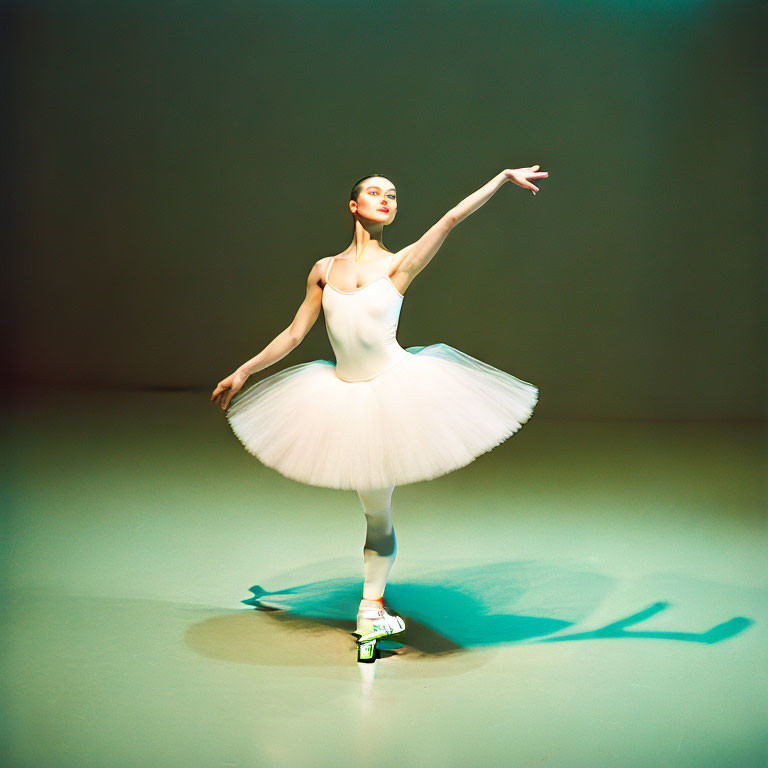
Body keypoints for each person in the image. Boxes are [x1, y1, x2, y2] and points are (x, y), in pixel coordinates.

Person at [211, 167, 548, 661]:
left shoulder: (400, 264)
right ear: (353, 205)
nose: (386, 199)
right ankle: (371, 612)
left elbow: (451, 219)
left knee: (378, 513)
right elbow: (293, 334)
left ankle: (370, 609)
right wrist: (244, 371)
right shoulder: (323, 269)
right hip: (342, 397)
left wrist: (500, 179)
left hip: (394, 392)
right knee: (375, 512)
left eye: (392, 194)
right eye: (374, 192)